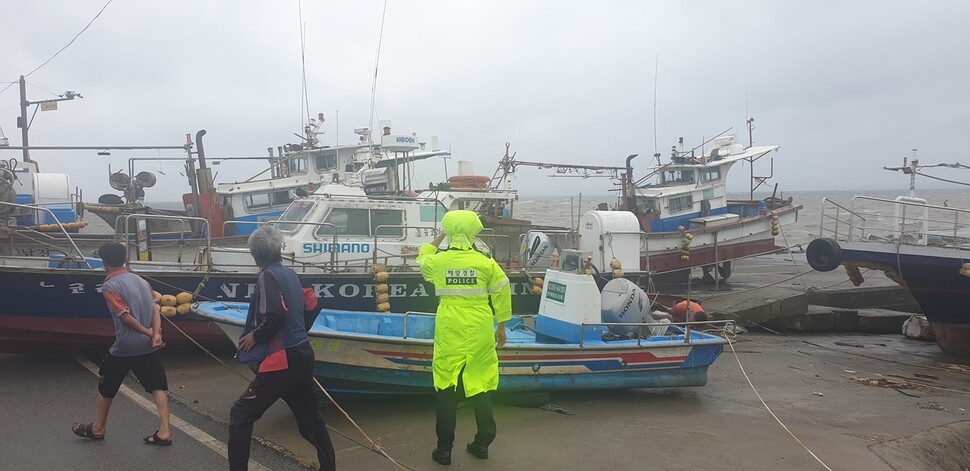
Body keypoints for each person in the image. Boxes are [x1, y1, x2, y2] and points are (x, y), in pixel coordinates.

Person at [228, 225, 335, 471]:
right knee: (310, 418)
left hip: (283, 360)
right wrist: (299, 330)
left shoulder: (267, 276)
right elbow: (312, 304)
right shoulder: (290, 274)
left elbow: (276, 314)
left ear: (255, 255)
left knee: (240, 415)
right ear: (279, 250)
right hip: (303, 354)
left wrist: (256, 335)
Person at [416, 210, 512, 466]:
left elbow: (422, 257)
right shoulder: (485, 263)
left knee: (447, 383)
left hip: (450, 327)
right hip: (480, 325)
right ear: (474, 232)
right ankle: (483, 442)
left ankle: (444, 449)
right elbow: (503, 290)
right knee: (480, 380)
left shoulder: (439, 263)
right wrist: (501, 327)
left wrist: (440, 235)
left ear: (449, 231)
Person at [71, 241, 171, 446]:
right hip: (147, 346)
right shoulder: (142, 281)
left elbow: (124, 316)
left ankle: (98, 428)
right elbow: (155, 310)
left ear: (104, 261)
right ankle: (165, 431)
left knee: (106, 386)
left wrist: (145, 331)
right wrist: (155, 334)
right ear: (125, 258)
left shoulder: (109, 285)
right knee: (157, 386)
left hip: (124, 347)